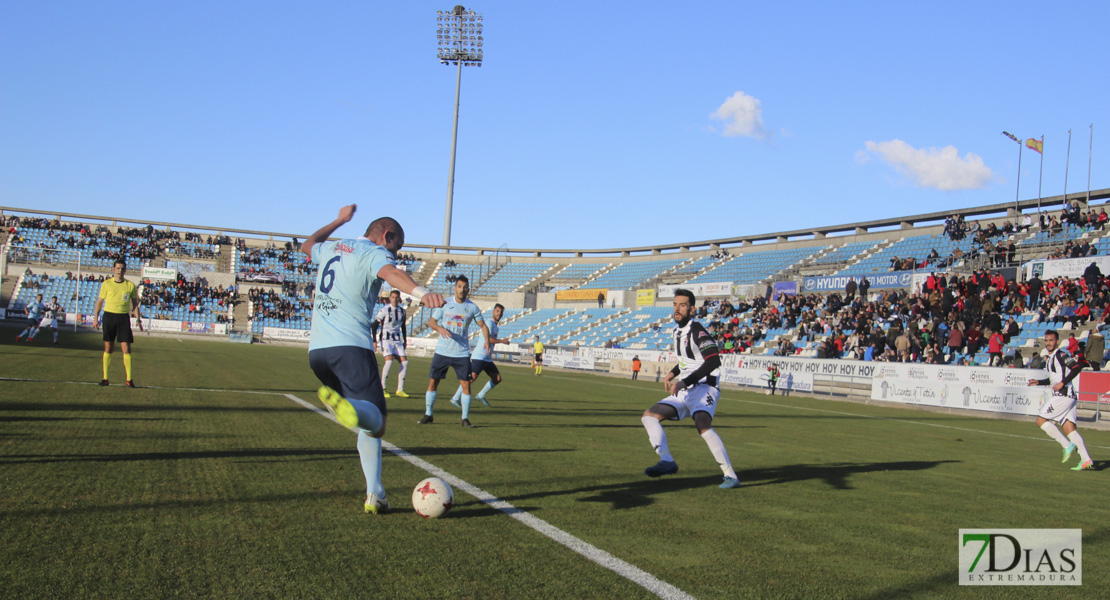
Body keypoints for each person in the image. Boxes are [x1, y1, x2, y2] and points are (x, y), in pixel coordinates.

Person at [301, 205, 446, 514]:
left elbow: (307, 244)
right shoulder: (373, 252)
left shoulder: (331, 248)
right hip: (350, 348)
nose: (395, 252)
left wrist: (339, 221)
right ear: (386, 236)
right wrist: (422, 292)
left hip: (317, 352)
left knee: (367, 427)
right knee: (377, 422)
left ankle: (375, 493)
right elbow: (391, 274)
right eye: (396, 246)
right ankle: (351, 409)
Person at [640, 288, 740, 489]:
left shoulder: (697, 331)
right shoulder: (677, 331)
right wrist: (673, 372)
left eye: (682, 305)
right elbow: (688, 360)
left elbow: (713, 361)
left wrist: (685, 381)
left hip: (705, 387)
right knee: (649, 416)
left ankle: (730, 475)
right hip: (685, 389)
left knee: (702, 423)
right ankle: (667, 460)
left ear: (692, 309)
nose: (677, 309)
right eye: (675, 304)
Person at [420, 275, 490, 428]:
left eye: (465, 287)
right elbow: (431, 322)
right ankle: (428, 414)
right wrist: (440, 328)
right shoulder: (445, 304)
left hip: (461, 353)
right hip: (443, 351)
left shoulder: (472, 307)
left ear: (468, 289)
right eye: (459, 286)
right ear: (455, 288)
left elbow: (483, 326)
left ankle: (465, 418)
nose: (462, 290)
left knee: (466, 383)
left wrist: (487, 340)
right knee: (433, 381)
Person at [1026, 330, 1094, 470]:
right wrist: (1038, 382)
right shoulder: (1050, 358)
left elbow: (1076, 368)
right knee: (1069, 430)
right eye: (1046, 340)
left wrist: (1063, 383)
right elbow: (1053, 379)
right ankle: (1086, 459)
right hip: (1067, 397)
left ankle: (1067, 445)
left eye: (1051, 340)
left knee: (1041, 420)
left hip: (1064, 395)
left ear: (1057, 341)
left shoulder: (1061, 355)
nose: (1048, 343)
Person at [93, 259, 144, 387]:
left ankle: (129, 379)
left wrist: (138, 319)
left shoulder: (130, 285)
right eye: (117, 268)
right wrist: (95, 317)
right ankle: (105, 378)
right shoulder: (106, 284)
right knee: (108, 348)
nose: (119, 271)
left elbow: (135, 304)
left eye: (122, 268)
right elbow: (99, 302)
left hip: (123, 318)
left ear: (125, 270)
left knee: (126, 348)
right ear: (113, 269)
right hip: (109, 316)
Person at [451, 303, 510, 408]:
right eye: (497, 311)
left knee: (497, 378)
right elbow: (488, 339)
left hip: (486, 358)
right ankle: (455, 398)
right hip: (479, 356)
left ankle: (481, 395)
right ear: (493, 311)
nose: (499, 313)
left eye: (501, 312)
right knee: (471, 378)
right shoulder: (489, 323)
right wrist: (502, 341)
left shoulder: (496, 326)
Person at [376, 290, 410, 398]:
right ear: (390, 298)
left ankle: (400, 390)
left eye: (397, 297)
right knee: (389, 362)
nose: (395, 299)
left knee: (405, 363)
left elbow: (403, 327)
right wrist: (374, 340)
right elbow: (374, 324)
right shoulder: (385, 310)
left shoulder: (402, 311)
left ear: (399, 299)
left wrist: (404, 340)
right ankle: (383, 388)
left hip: (397, 340)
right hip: (386, 340)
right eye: (393, 297)